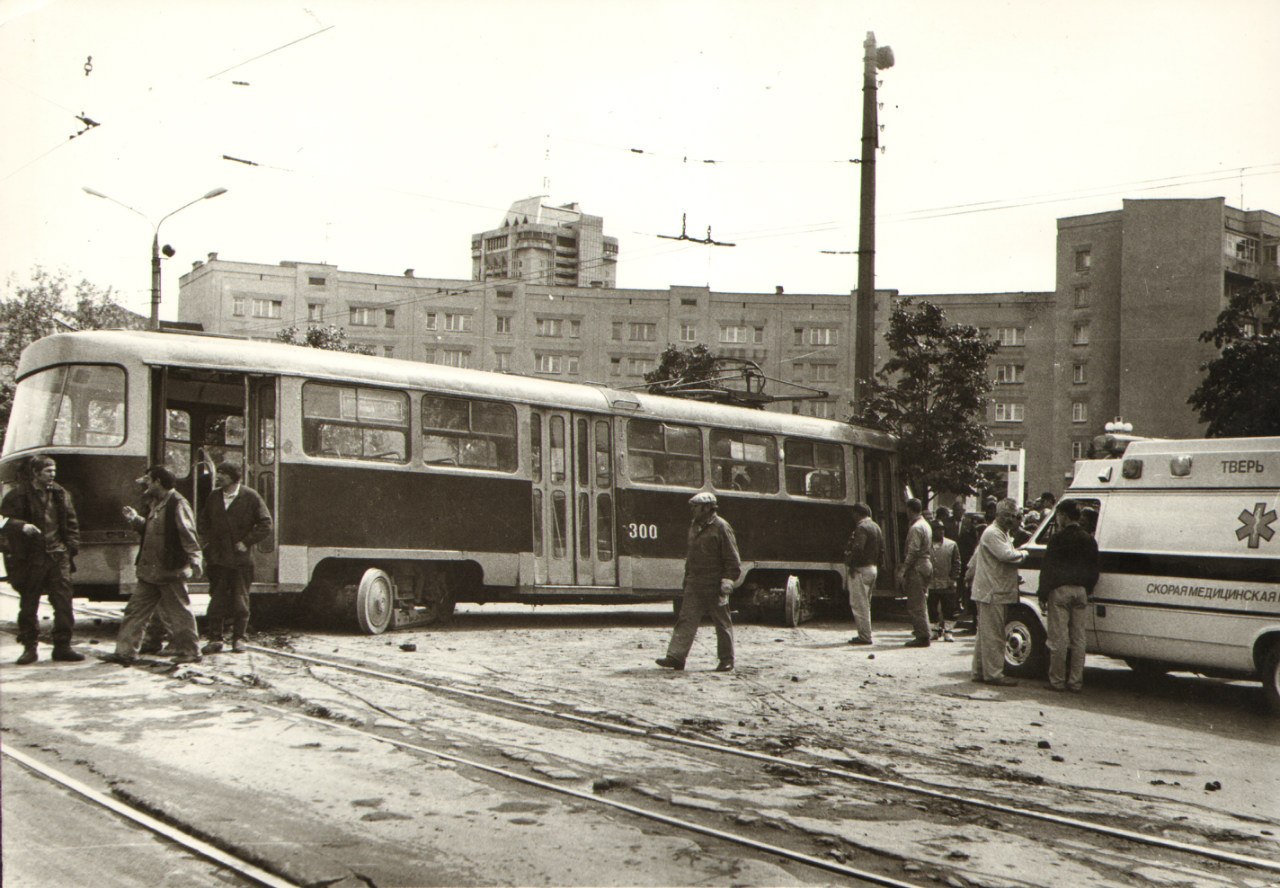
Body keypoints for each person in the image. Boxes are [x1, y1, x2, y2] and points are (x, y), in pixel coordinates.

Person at [105, 465, 203, 665]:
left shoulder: (177, 503)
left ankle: (191, 651)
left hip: (169, 570)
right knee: (135, 611)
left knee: (179, 613)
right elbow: (152, 531)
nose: (145, 485)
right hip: (150, 571)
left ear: (158, 481)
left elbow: (188, 534)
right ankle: (125, 652)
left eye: (148, 480)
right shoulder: (156, 503)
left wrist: (195, 559)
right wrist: (135, 520)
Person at [0, 455, 84, 664]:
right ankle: (30, 648)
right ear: (35, 473)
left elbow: (72, 523)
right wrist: (21, 526)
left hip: (58, 556)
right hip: (31, 558)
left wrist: (69, 548)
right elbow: (2, 521)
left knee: (64, 603)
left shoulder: (61, 494)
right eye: (48, 471)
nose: (53, 475)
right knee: (29, 605)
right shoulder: (17, 495)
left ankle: (62, 647)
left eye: (54, 471)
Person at [656, 492, 741, 672]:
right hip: (695, 583)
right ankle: (676, 657)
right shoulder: (695, 526)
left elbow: (733, 559)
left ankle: (727, 660)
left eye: (695, 507)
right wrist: (687, 580)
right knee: (686, 619)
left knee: (722, 623)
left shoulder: (722, 527)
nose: (692, 510)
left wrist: (727, 581)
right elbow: (691, 556)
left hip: (715, 584)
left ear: (707, 508)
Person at [199, 461, 272, 654]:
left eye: (223, 473)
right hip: (217, 559)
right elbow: (203, 522)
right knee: (216, 600)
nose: (218, 476)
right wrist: (206, 544)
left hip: (240, 561)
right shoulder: (214, 497)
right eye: (219, 472)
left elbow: (266, 523)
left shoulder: (250, 497)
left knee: (241, 600)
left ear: (233, 477)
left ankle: (239, 638)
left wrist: (246, 542)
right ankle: (215, 639)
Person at [1037, 499, 1100, 692]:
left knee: (1059, 639)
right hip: (1080, 591)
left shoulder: (1057, 539)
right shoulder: (1089, 539)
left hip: (1060, 591)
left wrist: (1043, 593)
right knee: (1079, 639)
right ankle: (1075, 681)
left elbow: (1048, 568)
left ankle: (1057, 681)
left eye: (1058, 516)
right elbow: (1094, 570)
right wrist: (1086, 588)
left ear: (1063, 516)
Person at [965, 497, 1028, 686]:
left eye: (1014, 515)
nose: (1011, 519)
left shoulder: (1000, 533)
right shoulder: (994, 533)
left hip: (991, 590)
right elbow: (1006, 555)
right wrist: (1024, 553)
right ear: (998, 515)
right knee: (994, 635)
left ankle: (979, 671)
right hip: (993, 592)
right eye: (1007, 515)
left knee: (985, 635)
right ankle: (994, 674)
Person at [843, 501, 883, 646]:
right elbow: (882, 550)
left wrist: (852, 565)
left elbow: (858, 548)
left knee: (859, 604)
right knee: (866, 603)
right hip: (872, 568)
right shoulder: (876, 527)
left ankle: (865, 636)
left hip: (861, 569)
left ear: (857, 513)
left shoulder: (861, 528)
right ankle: (865, 634)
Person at [898, 498, 934, 647]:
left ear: (910, 509)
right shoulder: (925, 525)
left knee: (915, 603)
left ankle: (922, 635)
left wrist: (903, 569)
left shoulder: (916, 528)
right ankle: (925, 632)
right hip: (926, 564)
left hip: (918, 566)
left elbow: (913, 551)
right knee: (921, 601)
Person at [927, 519, 961, 641]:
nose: (940, 532)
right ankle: (935, 630)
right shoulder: (927, 545)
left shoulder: (951, 544)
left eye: (942, 529)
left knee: (949, 608)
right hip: (931, 583)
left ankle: (948, 631)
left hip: (947, 582)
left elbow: (957, 563)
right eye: (937, 530)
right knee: (932, 607)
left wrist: (953, 578)